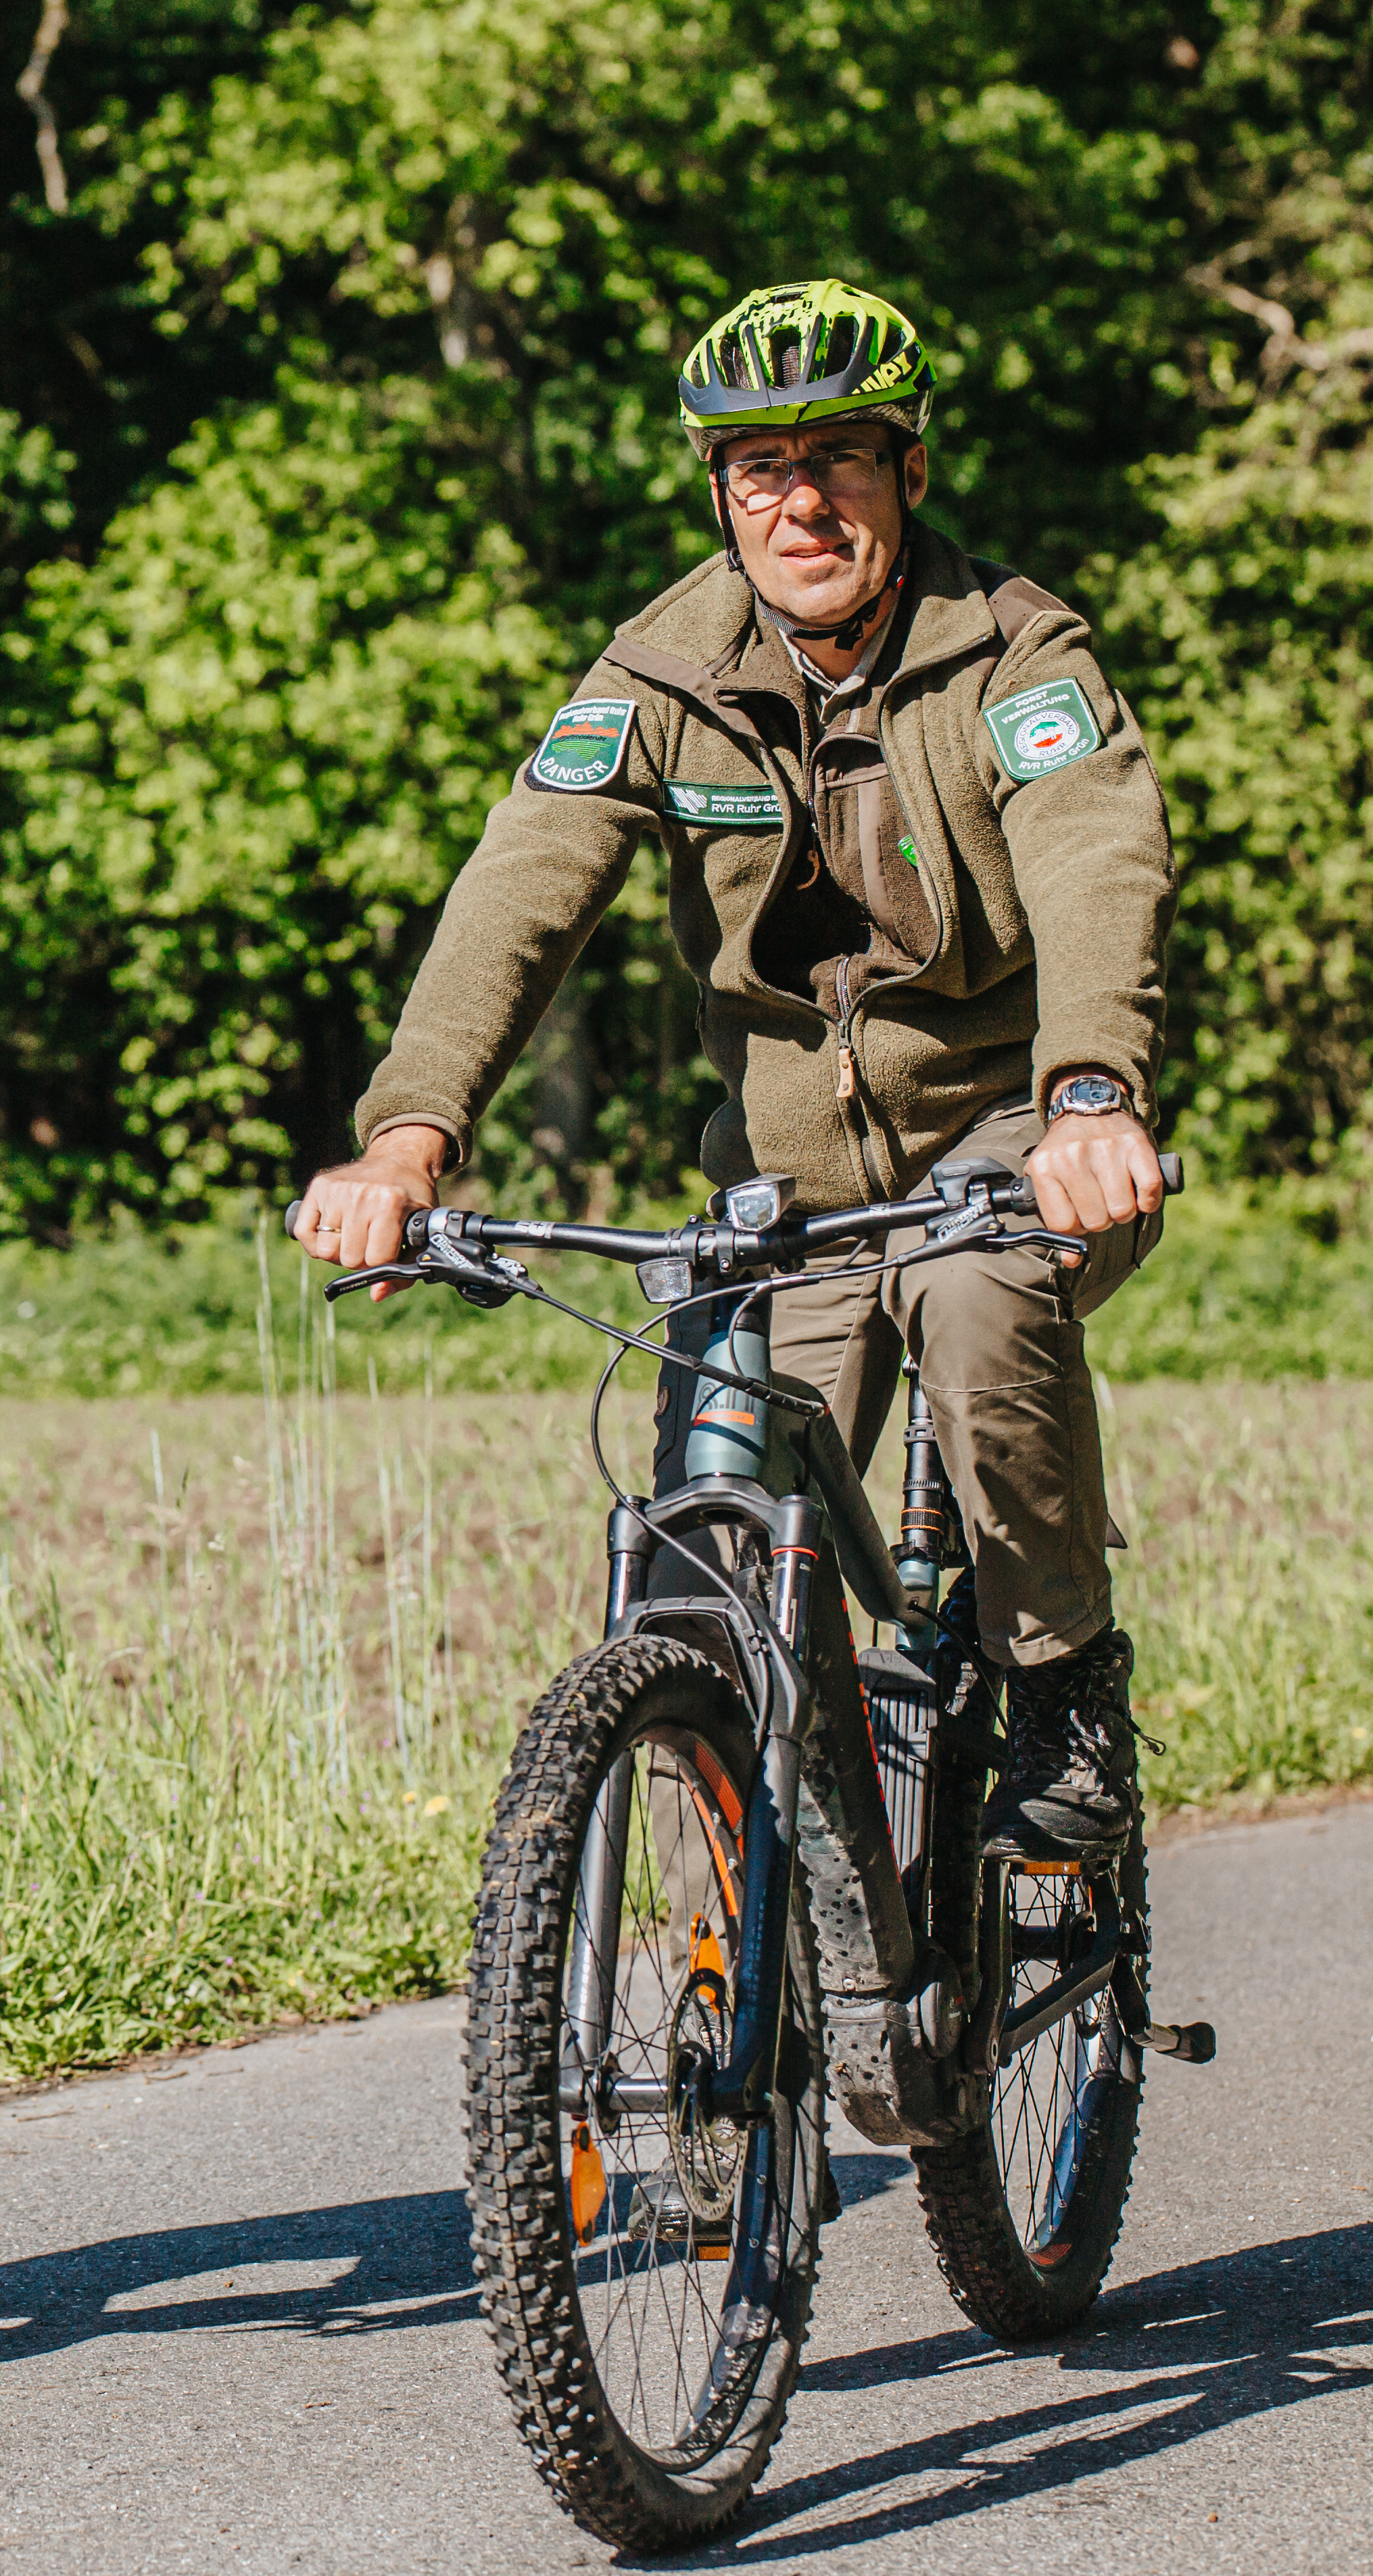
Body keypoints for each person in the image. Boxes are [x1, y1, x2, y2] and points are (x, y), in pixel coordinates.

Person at [292, 280, 1178, 1859]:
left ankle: (1061, 1686)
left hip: (1000, 1144)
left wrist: (1093, 1093)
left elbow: (1098, 856)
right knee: (716, 1530)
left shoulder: (1013, 653)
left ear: (910, 468)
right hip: (789, 1192)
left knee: (981, 1305)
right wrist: (409, 1132)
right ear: (719, 490)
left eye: (839, 455)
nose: (800, 499)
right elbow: (524, 884)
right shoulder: (663, 671)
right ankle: (756, 1883)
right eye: (759, 466)